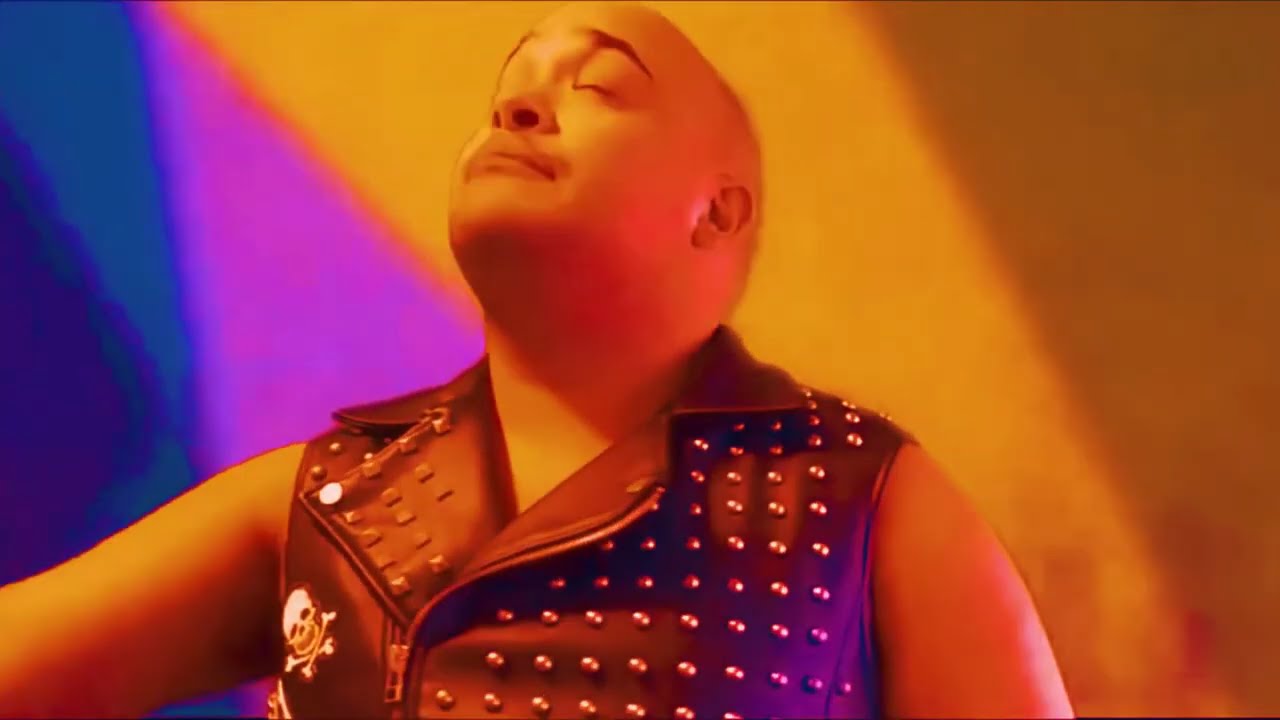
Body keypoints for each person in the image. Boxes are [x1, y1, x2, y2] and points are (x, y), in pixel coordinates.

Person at [0, 3, 1074, 719]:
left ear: (719, 212)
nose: (517, 109)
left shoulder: (862, 497)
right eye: (506, 94)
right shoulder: (322, 498)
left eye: (598, 88)